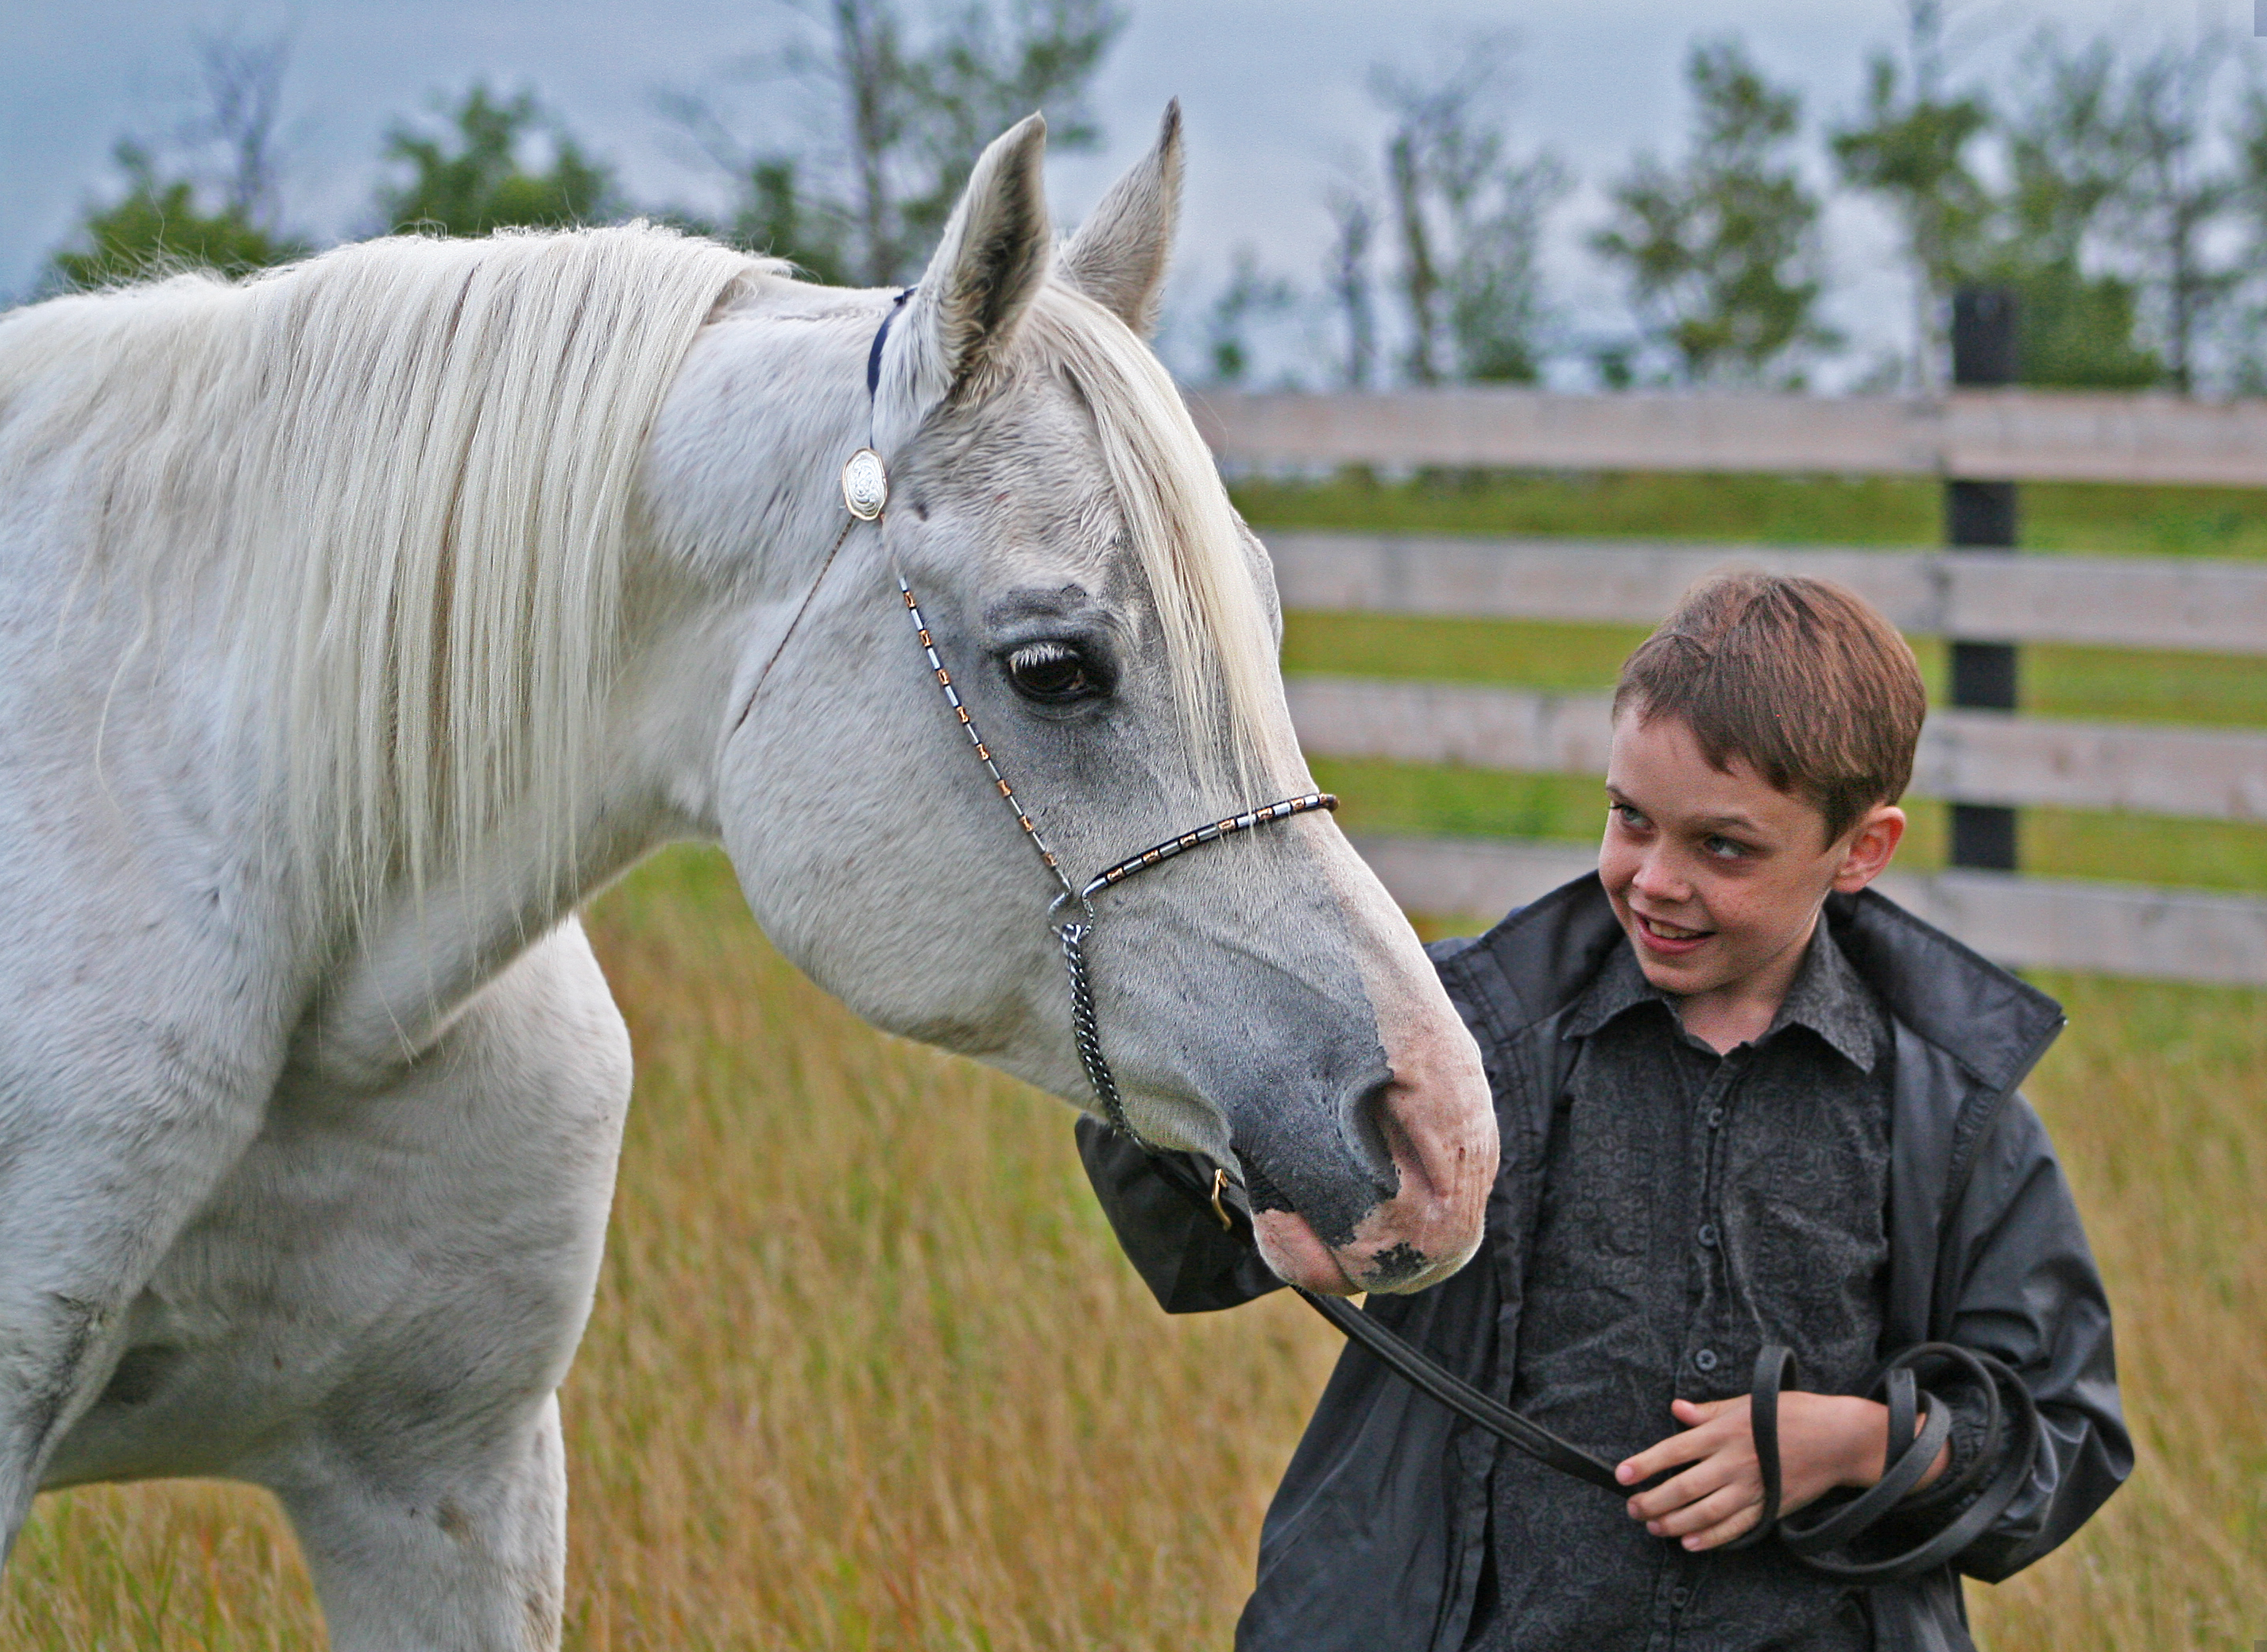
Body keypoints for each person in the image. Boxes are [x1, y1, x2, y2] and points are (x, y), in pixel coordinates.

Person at [1077, 572, 2130, 1651]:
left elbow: (2058, 1439)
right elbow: (1192, 1240)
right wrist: (1223, 1101)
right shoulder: (1456, 1038)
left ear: (1860, 848)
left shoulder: (1946, 1111)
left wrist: (1855, 1444)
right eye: (1630, 818)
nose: (1654, 880)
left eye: (1723, 847)